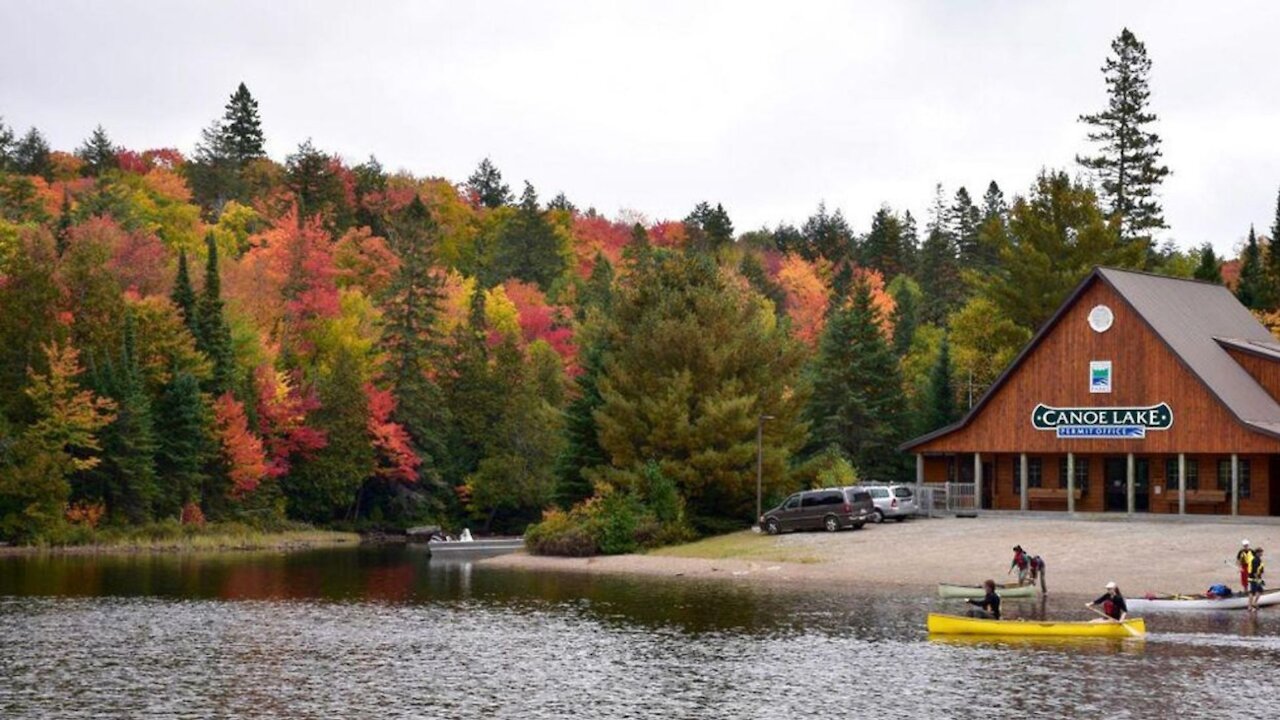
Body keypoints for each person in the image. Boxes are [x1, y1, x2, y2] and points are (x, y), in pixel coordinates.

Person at [1248, 547, 1266, 612]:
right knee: (1252, 592)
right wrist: (1258, 580)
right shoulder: (1255, 560)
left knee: (1260, 590)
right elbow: (1254, 571)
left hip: (1257, 578)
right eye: (1261, 552)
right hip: (1253, 578)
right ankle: (1250, 606)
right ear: (1257, 553)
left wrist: (1260, 579)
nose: (1262, 553)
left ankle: (1254, 603)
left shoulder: (1258, 559)